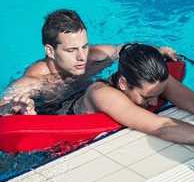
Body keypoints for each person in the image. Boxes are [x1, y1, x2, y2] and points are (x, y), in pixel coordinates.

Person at [0, 9, 176, 116]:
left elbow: (129, 49)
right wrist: (13, 107)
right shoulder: (35, 81)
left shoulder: (95, 56)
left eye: (84, 46)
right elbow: (3, 104)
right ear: (50, 51)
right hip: (53, 114)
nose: (82, 57)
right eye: (71, 50)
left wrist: (160, 50)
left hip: (84, 102)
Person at [67, 42, 194, 144]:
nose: (154, 102)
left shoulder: (154, 79)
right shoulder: (102, 94)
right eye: (147, 97)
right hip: (65, 120)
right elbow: (161, 127)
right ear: (123, 84)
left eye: (159, 93)